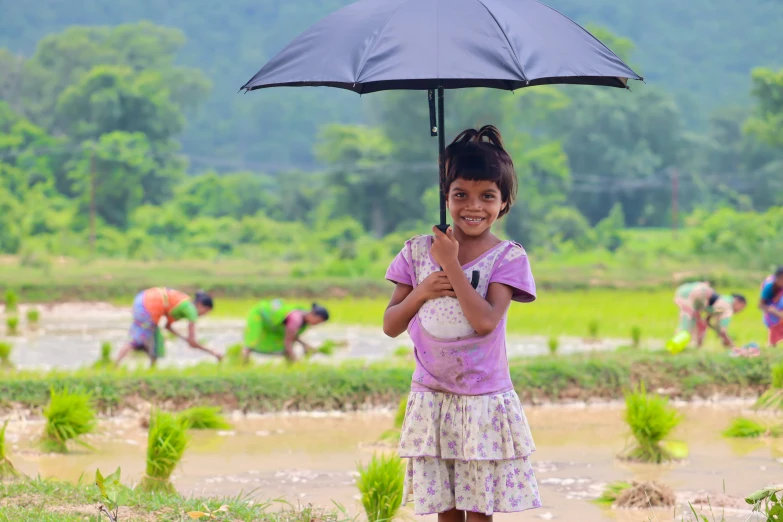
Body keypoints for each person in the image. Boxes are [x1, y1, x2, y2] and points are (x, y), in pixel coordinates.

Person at [383, 125, 541, 521]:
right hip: (433, 396)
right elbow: (390, 324)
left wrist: (451, 264)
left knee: (478, 509)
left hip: (482, 399)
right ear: (446, 197)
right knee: (446, 511)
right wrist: (421, 292)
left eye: (487, 196)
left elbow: (485, 321)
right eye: (461, 195)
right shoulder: (417, 251)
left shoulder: (508, 257)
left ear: (504, 203)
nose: (474, 206)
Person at [115, 288, 221, 367]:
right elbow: (192, 341)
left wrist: (185, 339)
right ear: (201, 306)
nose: (203, 314)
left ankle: (152, 368)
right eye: (206, 312)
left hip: (142, 300)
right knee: (136, 340)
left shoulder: (184, 303)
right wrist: (213, 352)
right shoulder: (191, 310)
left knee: (155, 341)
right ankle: (115, 364)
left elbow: (168, 326)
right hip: (148, 306)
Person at [242, 300, 330, 363]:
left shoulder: (303, 319)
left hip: (272, 322)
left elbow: (292, 335)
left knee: (287, 348)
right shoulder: (296, 319)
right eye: (318, 321)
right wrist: (296, 360)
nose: (317, 324)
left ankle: (290, 368)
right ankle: (243, 364)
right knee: (251, 342)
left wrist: (304, 344)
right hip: (260, 315)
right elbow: (287, 341)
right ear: (313, 315)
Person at [672, 281, 716, 347]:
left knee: (691, 323)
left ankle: (693, 344)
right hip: (685, 299)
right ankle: (677, 343)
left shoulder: (706, 294)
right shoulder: (704, 291)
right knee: (686, 323)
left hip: (687, 300)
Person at [759, 267, 783, 347]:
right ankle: (770, 351)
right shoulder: (769, 287)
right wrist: (773, 311)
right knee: (774, 336)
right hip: (772, 313)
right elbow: (761, 305)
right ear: (777, 278)